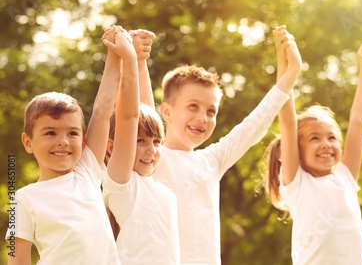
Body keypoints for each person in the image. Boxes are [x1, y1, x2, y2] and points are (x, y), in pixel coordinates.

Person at [151, 25, 301, 264]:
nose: (203, 117)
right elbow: (136, 115)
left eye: (211, 111)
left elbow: (256, 123)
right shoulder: (152, 157)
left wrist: (292, 70)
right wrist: (135, 59)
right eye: (193, 106)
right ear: (167, 112)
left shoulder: (212, 160)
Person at [4, 26, 137, 264]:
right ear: (28, 142)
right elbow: (16, 257)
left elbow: (103, 108)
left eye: (72, 133)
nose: (63, 141)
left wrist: (114, 54)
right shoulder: (21, 200)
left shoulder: (86, 170)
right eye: (50, 133)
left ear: (84, 139)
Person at [264, 38, 362, 264]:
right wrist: (284, 62)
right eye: (314, 138)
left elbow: (358, 122)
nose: (326, 144)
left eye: (332, 137)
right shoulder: (297, 183)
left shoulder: (345, 178)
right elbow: (287, 121)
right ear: (295, 149)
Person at [101, 26, 180, 264]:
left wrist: (141, 61)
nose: (152, 150)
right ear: (113, 148)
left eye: (157, 142)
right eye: (141, 142)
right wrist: (129, 59)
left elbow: (144, 112)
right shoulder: (122, 186)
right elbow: (129, 118)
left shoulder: (158, 188)